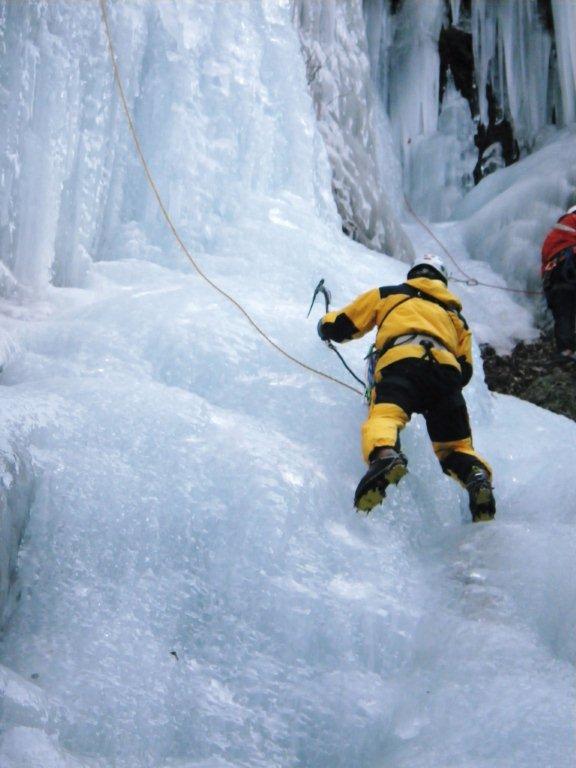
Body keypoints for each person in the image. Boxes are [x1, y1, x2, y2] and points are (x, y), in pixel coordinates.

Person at [317, 253, 495, 521]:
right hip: (445, 377)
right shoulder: (455, 317)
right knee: (455, 447)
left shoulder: (390, 294)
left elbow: (345, 324)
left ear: (413, 275)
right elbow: (465, 369)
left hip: (402, 366)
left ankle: (385, 456)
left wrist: (324, 326)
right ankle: (476, 475)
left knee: (385, 417)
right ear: (442, 281)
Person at [541, 204, 576, 363]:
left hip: (555, 276)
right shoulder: (573, 220)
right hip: (569, 264)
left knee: (563, 312)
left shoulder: (553, 235)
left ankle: (565, 350)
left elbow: (544, 262)